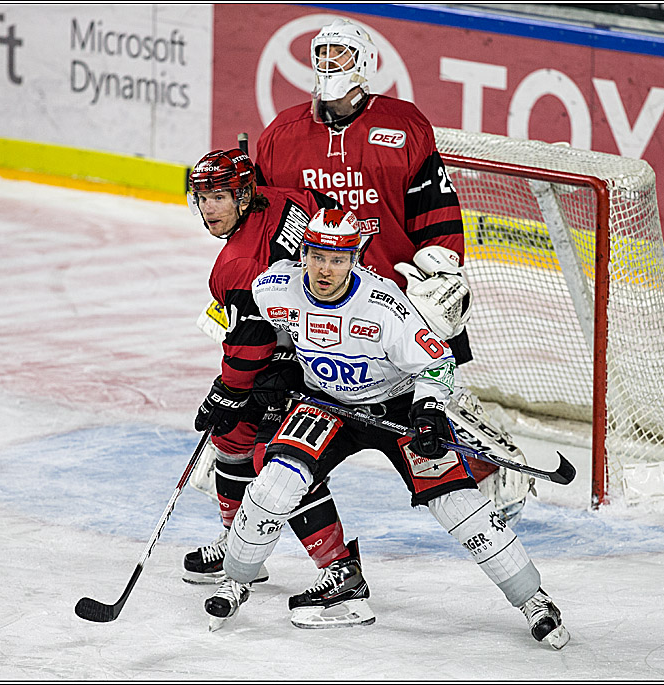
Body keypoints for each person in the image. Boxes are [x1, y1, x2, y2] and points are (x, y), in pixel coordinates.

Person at [202, 210, 570, 650]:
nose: (325, 270)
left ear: (354, 259)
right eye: (317, 257)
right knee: (274, 484)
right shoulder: (273, 287)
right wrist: (280, 363)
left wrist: (428, 410)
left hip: (397, 407)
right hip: (328, 404)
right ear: (304, 254)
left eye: (337, 260)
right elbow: (267, 328)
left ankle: (533, 600)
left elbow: (437, 361)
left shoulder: (383, 305)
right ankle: (235, 582)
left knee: (457, 505)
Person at [252, 17, 532, 521]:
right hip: (320, 299)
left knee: (432, 404)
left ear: (365, 63)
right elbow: (266, 225)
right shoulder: (281, 136)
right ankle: (255, 507)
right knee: (284, 414)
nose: (328, 64)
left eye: (340, 54)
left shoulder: (404, 126)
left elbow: (436, 211)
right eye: (321, 53)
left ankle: (495, 474)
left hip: (397, 303)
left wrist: (443, 279)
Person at [185, 149, 375, 628]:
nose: (209, 209)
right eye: (202, 198)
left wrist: (225, 393)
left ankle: (340, 569)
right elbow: (336, 215)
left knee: (279, 461)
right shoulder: (286, 197)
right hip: (319, 338)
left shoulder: (238, 262)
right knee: (231, 437)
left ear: (244, 195)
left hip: (317, 358)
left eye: (220, 197)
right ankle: (237, 543)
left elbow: (251, 345)